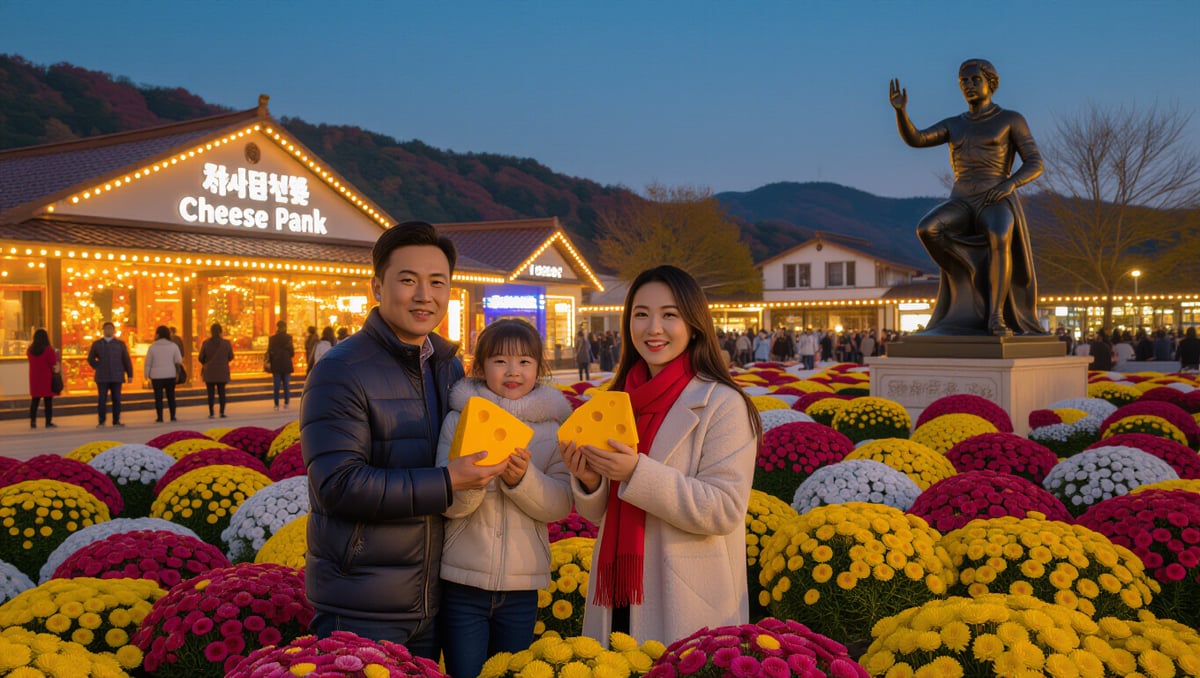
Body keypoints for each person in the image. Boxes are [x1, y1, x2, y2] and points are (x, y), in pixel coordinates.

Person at [301, 221, 504, 655]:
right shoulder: (340, 370)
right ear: (377, 286)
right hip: (362, 606)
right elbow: (338, 485)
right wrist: (449, 482)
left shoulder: (446, 365)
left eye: (437, 282)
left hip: (435, 598)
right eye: (407, 280)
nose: (423, 295)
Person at [561, 264, 762, 646]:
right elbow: (602, 512)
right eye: (641, 314)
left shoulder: (722, 403)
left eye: (669, 315)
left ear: (694, 323)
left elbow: (724, 508)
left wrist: (636, 471)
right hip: (618, 594)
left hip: (686, 594)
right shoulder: (620, 399)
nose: (653, 328)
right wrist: (590, 480)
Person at [434, 319, 573, 678]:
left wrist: (523, 480)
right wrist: (475, 481)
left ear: (539, 368)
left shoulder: (552, 430)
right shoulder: (457, 420)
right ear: (480, 366)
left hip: (522, 588)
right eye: (500, 361)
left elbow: (560, 504)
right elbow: (445, 502)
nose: (513, 371)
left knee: (511, 673)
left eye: (525, 361)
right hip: (463, 584)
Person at [891, 59, 1044, 336]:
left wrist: (1010, 184)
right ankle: (971, 267)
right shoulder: (955, 124)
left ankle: (996, 316)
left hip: (995, 196)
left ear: (991, 83)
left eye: (975, 80)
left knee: (999, 234)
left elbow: (1035, 163)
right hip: (961, 198)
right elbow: (917, 139)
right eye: (964, 82)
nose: (969, 86)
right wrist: (901, 112)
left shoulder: (1010, 119)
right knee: (927, 228)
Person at [87, 321, 133, 428]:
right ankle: (101, 420)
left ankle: (116, 420)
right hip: (102, 376)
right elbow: (90, 359)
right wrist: (98, 365)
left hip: (117, 376)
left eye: (110, 329)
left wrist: (129, 374)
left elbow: (126, 359)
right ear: (103, 330)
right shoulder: (97, 344)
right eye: (106, 329)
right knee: (102, 399)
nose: (109, 331)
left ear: (113, 331)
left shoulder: (120, 344)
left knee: (116, 398)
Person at [145, 325, 183, 423]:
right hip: (170, 374)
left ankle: (160, 417)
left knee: (158, 397)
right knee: (171, 396)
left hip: (156, 376)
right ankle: (172, 416)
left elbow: (148, 363)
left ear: (157, 334)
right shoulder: (173, 346)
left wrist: (146, 375)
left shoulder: (152, 347)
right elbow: (178, 360)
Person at [199, 322, 234, 419]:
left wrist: (206, 363)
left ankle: (211, 412)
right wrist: (223, 361)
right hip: (222, 371)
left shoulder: (206, 343)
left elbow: (201, 357)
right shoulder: (226, 343)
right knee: (222, 392)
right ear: (221, 331)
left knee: (210, 393)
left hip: (210, 372)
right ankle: (222, 412)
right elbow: (231, 356)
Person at [26, 328, 59, 429]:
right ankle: (48, 422)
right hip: (46, 378)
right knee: (48, 402)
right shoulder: (48, 350)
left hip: (34, 378)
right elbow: (53, 362)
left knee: (35, 401)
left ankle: (33, 422)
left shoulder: (30, 350)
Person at [267, 320, 295, 410]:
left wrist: (271, 362)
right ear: (285, 327)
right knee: (286, 385)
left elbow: (269, 351)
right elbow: (292, 352)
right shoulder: (288, 338)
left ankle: (276, 404)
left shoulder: (272, 338)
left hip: (276, 364)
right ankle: (286, 402)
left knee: (276, 385)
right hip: (286, 363)